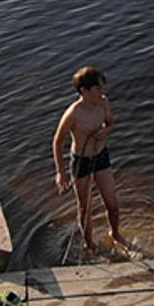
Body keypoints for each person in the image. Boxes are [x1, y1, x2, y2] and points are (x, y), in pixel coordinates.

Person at [52, 65, 126, 254]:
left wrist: (105, 132)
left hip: (101, 156)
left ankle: (115, 234)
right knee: (85, 208)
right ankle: (89, 245)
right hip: (81, 161)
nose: (102, 92)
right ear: (84, 91)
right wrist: (61, 172)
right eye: (98, 89)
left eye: (102, 88)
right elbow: (58, 142)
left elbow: (111, 124)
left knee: (112, 203)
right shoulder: (73, 113)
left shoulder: (103, 102)